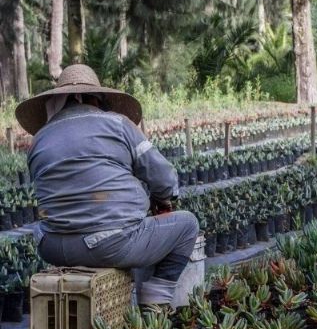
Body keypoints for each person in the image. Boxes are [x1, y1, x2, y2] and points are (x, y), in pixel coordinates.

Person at [15, 64, 199, 307]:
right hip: (108, 244)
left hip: (51, 246)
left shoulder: (39, 139)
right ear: (97, 98)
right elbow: (164, 179)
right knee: (187, 224)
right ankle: (155, 302)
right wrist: (163, 199)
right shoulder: (119, 125)